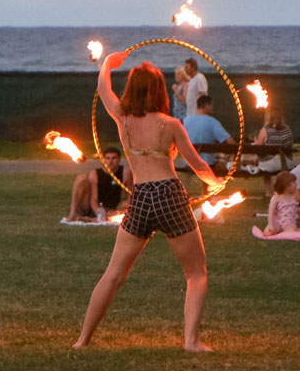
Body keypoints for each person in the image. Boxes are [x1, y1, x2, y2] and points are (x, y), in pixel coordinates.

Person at [73, 56, 222, 352]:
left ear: (132, 89)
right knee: (196, 273)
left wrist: (107, 63)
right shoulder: (171, 124)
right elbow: (196, 164)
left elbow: (103, 89)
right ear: (159, 91)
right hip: (169, 196)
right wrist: (218, 184)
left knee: (114, 274)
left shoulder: (123, 119)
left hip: (140, 198)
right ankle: (191, 341)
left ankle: (82, 340)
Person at [66, 147, 133, 222]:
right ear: (103, 159)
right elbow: (93, 199)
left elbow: (130, 194)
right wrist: (99, 213)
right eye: (107, 158)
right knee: (81, 178)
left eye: (114, 158)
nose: (110, 161)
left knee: (124, 214)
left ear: (119, 159)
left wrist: (127, 206)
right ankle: (73, 213)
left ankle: (90, 219)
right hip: (95, 207)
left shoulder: (125, 172)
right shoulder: (95, 174)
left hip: (112, 209)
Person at [183, 95, 235, 173]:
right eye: (211, 105)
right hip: (207, 165)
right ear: (206, 105)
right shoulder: (212, 121)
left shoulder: (186, 120)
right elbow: (229, 141)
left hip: (188, 163)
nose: (212, 107)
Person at [252, 105, 294, 196]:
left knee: (264, 165)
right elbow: (290, 144)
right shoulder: (287, 130)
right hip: (285, 162)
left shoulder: (265, 130)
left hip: (270, 164)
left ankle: (268, 191)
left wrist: (256, 142)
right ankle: (280, 191)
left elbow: (258, 148)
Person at [263, 171, 300, 236]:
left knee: (291, 232)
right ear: (286, 186)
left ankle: (293, 230)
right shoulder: (276, 198)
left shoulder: (293, 196)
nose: (296, 184)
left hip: (288, 222)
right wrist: (271, 225)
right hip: (277, 221)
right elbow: (271, 213)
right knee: (268, 233)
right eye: (293, 182)